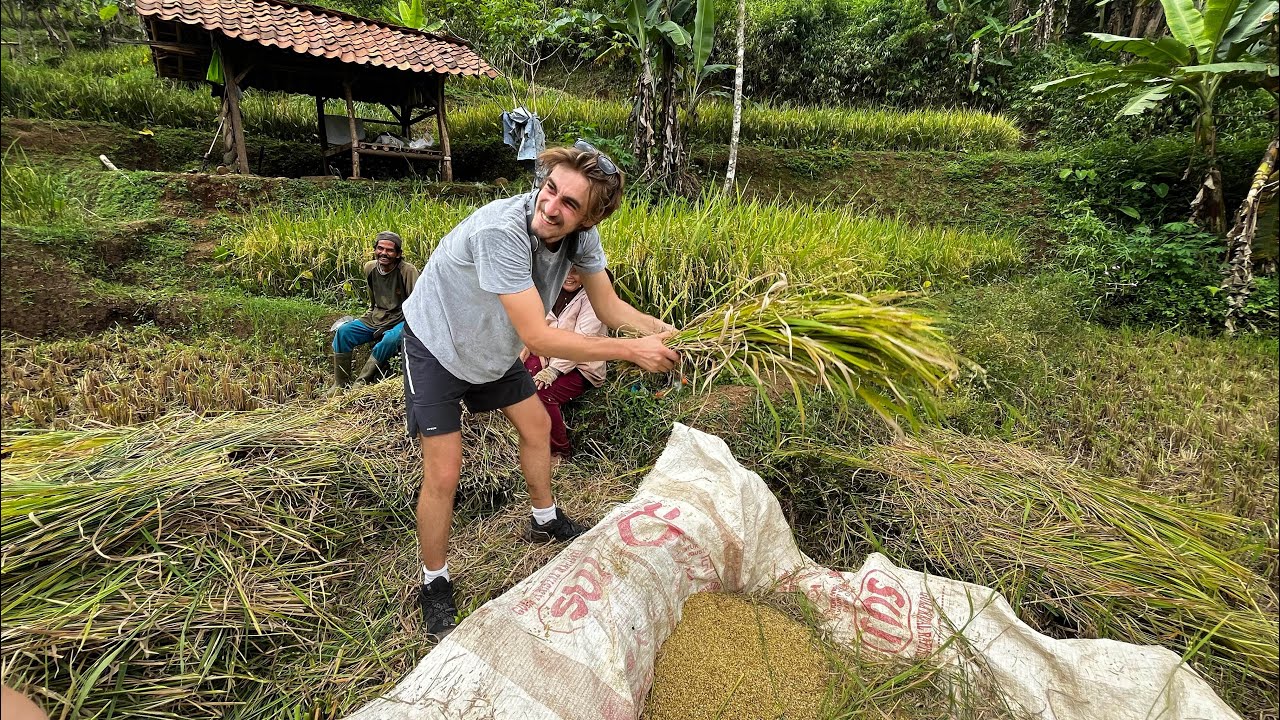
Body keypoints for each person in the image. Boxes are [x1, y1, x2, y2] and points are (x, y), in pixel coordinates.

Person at [399, 141, 679, 637]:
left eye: (570, 204)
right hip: (438, 344)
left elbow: (610, 309)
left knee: (538, 423)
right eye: (550, 190)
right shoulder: (501, 232)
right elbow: (538, 337)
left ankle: (544, 519)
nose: (551, 207)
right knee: (444, 470)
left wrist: (658, 329)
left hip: (492, 348)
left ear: (589, 219)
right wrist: (631, 351)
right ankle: (434, 582)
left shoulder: (581, 242)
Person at [522, 266, 608, 462]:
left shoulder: (593, 300)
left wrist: (553, 370)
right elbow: (539, 323)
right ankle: (527, 436)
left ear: (586, 274)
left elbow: (582, 343)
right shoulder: (550, 291)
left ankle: (560, 450)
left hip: (581, 365)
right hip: (550, 355)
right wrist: (525, 346)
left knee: (541, 393)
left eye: (576, 272)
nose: (569, 276)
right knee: (520, 379)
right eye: (566, 270)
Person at [331, 231, 419, 389]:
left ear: (398, 254)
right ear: (375, 250)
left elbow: (416, 305)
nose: (384, 253)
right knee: (343, 332)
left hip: (402, 319)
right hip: (377, 316)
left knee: (390, 340)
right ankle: (340, 385)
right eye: (380, 248)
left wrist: (395, 327)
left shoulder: (407, 271)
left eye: (390, 250)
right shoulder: (370, 267)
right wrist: (370, 316)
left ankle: (361, 381)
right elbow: (374, 300)